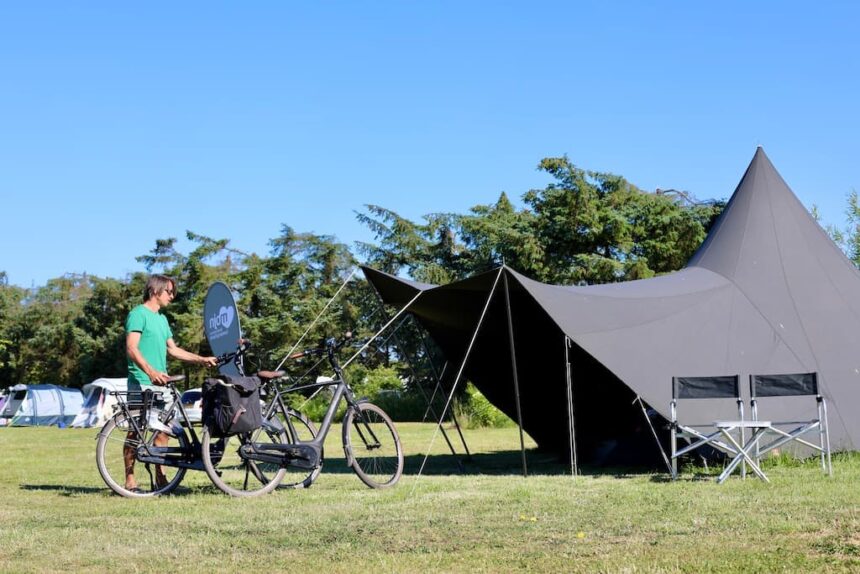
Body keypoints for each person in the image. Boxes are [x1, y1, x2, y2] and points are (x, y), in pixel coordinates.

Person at [124, 274, 217, 492]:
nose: (172, 296)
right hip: (141, 382)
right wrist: (150, 371)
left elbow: (173, 349)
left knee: (163, 431)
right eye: (169, 291)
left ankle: (161, 478)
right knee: (136, 432)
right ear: (155, 290)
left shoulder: (162, 320)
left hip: (161, 383)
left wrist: (201, 359)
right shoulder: (138, 314)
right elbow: (131, 348)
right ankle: (129, 480)